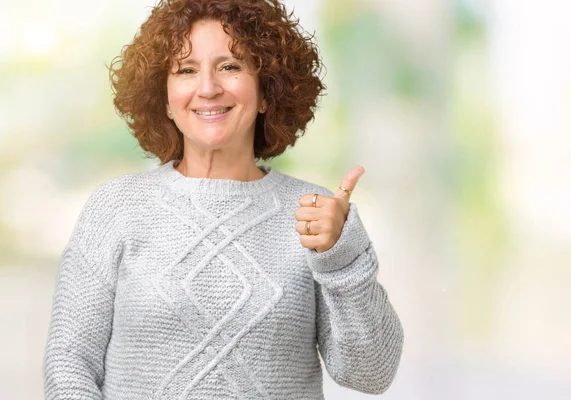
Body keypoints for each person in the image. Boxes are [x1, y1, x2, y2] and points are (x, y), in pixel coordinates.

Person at [43, 0, 404, 398]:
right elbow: (70, 362)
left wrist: (342, 255)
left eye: (230, 66)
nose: (208, 88)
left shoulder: (318, 216)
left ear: (266, 90)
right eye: (186, 70)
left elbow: (372, 374)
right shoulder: (117, 208)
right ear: (163, 98)